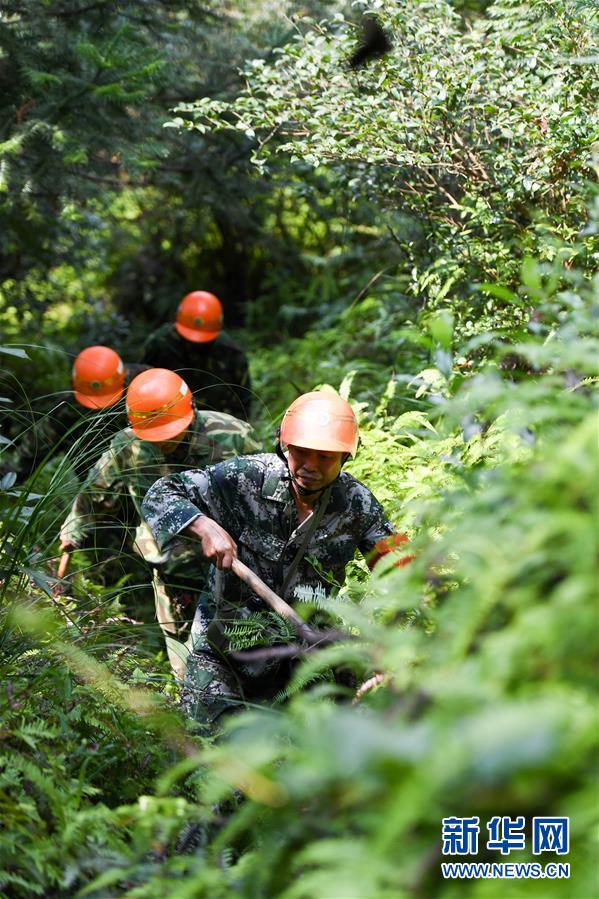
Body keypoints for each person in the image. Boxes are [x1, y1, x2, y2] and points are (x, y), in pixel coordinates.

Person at [141, 389, 402, 728]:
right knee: (211, 747)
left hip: (307, 651)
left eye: (325, 457)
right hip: (228, 648)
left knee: (357, 734)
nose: (310, 466)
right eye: (302, 453)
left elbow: (403, 573)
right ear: (285, 447)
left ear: (344, 457)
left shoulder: (357, 504)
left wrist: (389, 650)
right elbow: (162, 493)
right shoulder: (244, 478)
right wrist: (203, 526)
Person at [57, 367, 260, 677]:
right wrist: (73, 534)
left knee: (240, 650)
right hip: (171, 570)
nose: (166, 443)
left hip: (231, 564)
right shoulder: (127, 447)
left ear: (190, 411)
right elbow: (95, 495)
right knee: (184, 659)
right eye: (156, 435)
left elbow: (266, 495)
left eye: (172, 433)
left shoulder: (233, 435)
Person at [14, 346, 148, 478]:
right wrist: (9, 478)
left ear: (123, 379)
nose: (99, 405)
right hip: (97, 478)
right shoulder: (67, 409)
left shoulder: (146, 380)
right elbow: (35, 447)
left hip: (149, 457)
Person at [140, 291, 251, 420]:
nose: (196, 344)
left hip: (217, 426)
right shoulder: (160, 345)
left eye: (204, 342)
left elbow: (243, 403)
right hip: (167, 423)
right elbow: (143, 387)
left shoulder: (230, 353)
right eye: (189, 339)